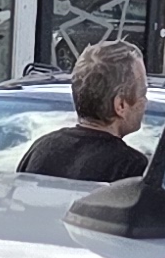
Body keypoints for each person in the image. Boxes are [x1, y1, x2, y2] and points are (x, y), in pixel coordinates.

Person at [19, 42, 153, 183]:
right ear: (120, 105)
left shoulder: (41, 149)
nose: (145, 101)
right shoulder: (132, 167)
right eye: (142, 92)